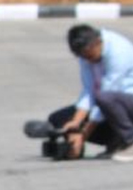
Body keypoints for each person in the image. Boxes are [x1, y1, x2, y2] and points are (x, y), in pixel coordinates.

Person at [48, 24, 133, 161]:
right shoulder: (85, 54)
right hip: (110, 106)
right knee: (59, 119)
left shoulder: (119, 52)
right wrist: (75, 123)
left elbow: (106, 95)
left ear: (98, 42)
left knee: (104, 98)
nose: (88, 60)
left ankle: (130, 140)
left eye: (90, 55)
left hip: (126, 103)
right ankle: (114, 143)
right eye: (83, 57)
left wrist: (84, 134)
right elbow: (89, 90)